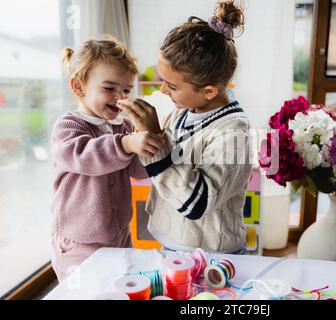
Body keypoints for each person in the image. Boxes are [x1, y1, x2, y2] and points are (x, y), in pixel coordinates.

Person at [117, 0, 253, 255]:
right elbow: (154, 167)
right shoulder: (179, 113)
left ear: (209, 91)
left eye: (172, 86)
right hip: (171, 244)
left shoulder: (234, 132)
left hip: (213, 254)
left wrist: (156, 138)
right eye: (162, 80)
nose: (162, 90)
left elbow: (197, 203)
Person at [51, 36, 162, 282]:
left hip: (119, 234)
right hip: (79, 242)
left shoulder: (123, 126)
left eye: (126, 90)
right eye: (109, 88)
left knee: (121, 287)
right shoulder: (68, 126)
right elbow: (84, 156)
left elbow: (139, 171)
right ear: (79, 87)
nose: (119, 97)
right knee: (86, 293)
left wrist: (147, 138)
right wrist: (125, 144)